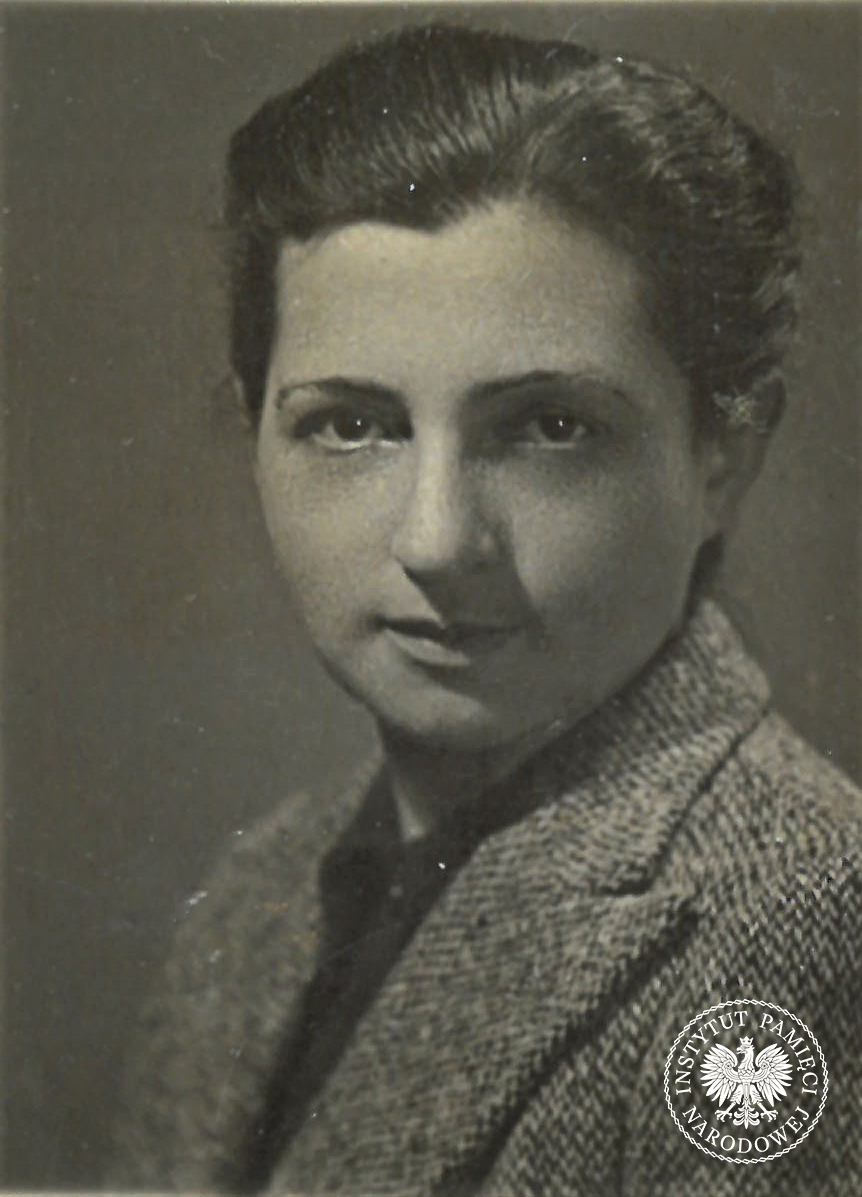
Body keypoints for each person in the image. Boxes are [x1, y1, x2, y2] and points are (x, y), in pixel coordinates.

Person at [109, 23, 861, 1196]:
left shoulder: (798, 920)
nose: (435, 540)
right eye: (351, 425)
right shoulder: (259, 891)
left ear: (722, 453)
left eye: (548, 428)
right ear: (256, 428)